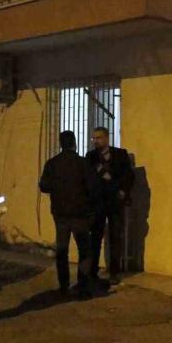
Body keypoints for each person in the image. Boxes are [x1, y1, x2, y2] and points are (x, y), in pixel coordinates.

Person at [40, 131, 100, 299]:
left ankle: (64, 286)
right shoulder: (83, 163)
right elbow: (93, 187)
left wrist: (58, 187)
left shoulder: (52, 163)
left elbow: (44, 186)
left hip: (60, 214)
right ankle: (83, 287)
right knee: (84, 251)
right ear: (74, 143)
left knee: (62, 251)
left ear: (61, 144)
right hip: (80, 213)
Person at [87, 127, 135, 286]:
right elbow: (88, 178)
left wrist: (123, 191)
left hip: (115, 202)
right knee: (95, 238)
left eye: (99, 137)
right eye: (94, 138)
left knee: (115, 237)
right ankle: (92, 271)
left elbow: (129, 176)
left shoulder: (120, 154)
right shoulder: (90, 157)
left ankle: (114, 272)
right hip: (98, 202)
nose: (96, 141)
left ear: (107, 138)